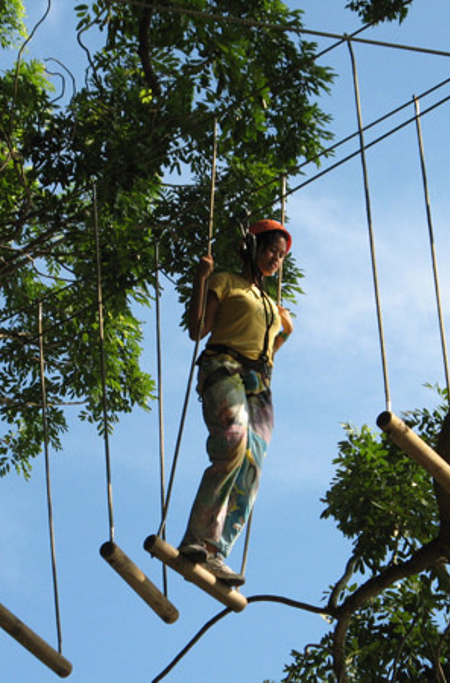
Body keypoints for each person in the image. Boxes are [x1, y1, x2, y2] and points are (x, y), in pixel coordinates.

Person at [177, 219, 294, 587]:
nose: (275, 259)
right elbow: (198, 330)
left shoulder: (273, 306)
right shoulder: (226, 282)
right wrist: (201, 278)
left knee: (252, 466)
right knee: (232, 442)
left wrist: (284, 328)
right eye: (271, 251)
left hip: (259, 385)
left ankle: (215, 551)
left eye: (281, 256)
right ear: (253, 247)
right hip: (223, 367)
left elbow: (270, 349)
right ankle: (196, 537)